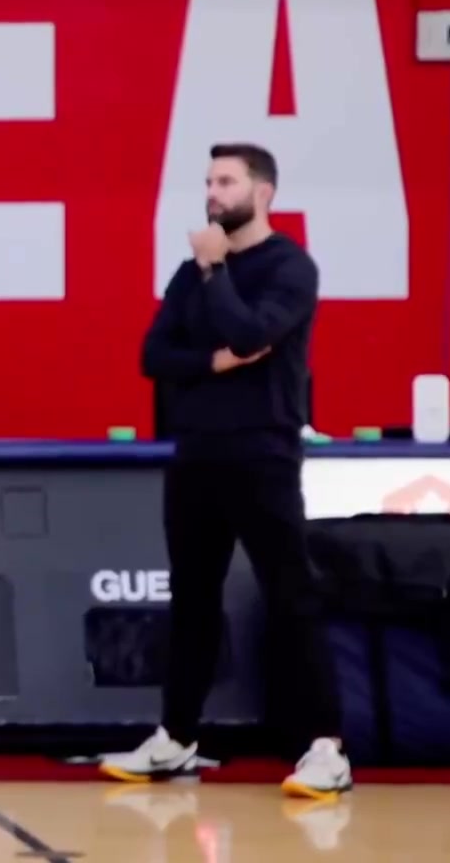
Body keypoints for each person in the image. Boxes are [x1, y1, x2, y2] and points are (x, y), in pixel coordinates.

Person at [104, 142, 351, 800]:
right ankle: (177, 736)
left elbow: (248, 333)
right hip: (196, 454)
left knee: (290, 596)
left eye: (227, 181)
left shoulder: (288, 267)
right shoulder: (190, 274)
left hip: (263, 452)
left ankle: (326, 746)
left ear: (262, 192)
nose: (213, 193)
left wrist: (216, 274)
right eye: (209, 181)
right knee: (192, 600)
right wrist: (211, 361)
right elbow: (154, 355)